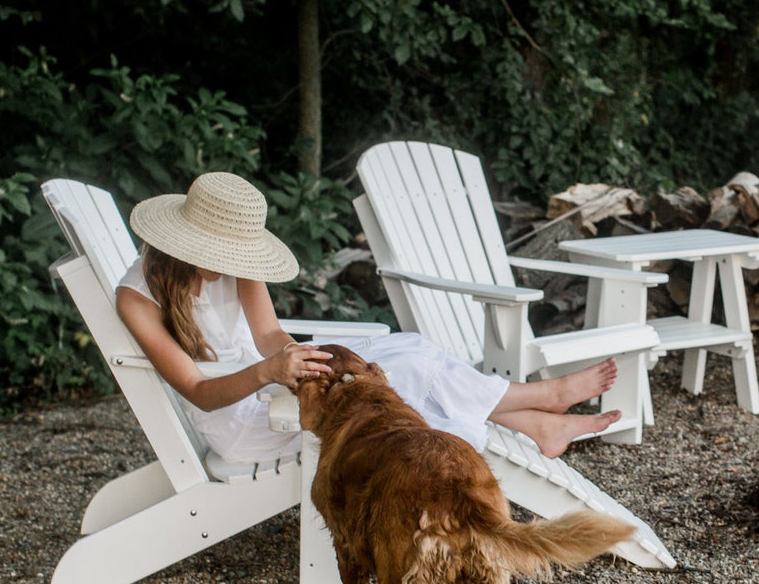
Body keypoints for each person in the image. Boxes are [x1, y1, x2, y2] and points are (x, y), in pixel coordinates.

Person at [115, 171, 622, 464]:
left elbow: (269, 334)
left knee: (410, 350)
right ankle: (541, 403)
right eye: (226, 253)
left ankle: (537, 420)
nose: (235, 264)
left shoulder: (235, 258)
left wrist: (298, 360)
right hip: (243, 418)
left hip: (274, 387)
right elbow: (199, 391)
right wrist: (271, 373)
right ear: (190, 242)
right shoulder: (138, 299)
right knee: (396, 376)